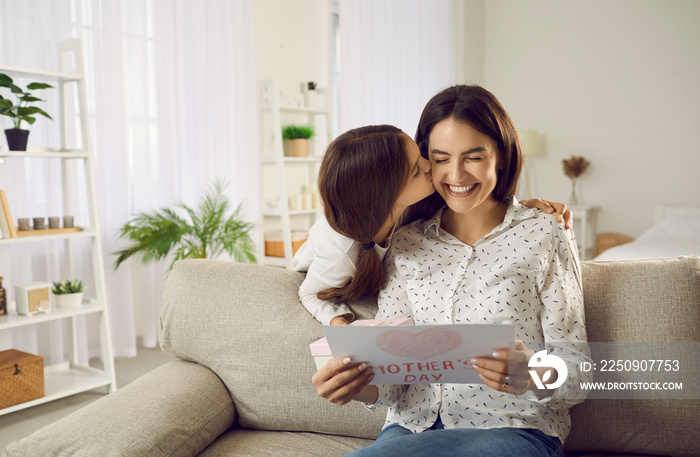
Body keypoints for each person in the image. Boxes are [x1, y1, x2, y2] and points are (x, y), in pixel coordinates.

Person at [311, 85, 590, 457]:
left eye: (473, 157)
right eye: (440, 159)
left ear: (501, 156)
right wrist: (356, 386)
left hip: (513, 431)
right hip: (409, 429)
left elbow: (580, 372)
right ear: (424, 163)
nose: (455, 174)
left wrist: (534, 371)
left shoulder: (544, 232)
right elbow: (393, 376)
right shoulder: (405, 241)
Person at [292, 125, 572, 326]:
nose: (431, 167)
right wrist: (340, 324)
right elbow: (308, 293)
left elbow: (469, 197)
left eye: (424, 157)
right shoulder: (341, 252)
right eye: (419, 168)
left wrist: (519, 209)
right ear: (387, 194)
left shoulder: (405, 215)